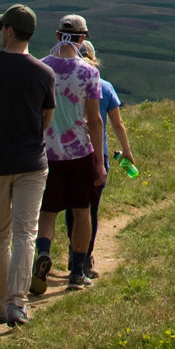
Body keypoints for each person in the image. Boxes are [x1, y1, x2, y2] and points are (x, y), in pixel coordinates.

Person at [0, 3, 54, 327]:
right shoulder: (44, 73)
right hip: (32, 162)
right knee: (25, 234)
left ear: (8, 31)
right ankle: (18, 304)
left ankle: (1, 303)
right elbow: (45, 120)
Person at [31, 16, 105, 292]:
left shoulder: (41, 67)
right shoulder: (89, 72)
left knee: (47, 212)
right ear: (83, 39)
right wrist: (99, 160)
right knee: (81, 211)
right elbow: (94, 120)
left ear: (57, 35)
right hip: (79, 152)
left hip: (47, 152)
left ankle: (44, 254)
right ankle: (76, 271)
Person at [68, 39, 133, 278]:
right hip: (97, 153)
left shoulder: (66, 83)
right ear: (94, 58)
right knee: (90, 210)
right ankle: (84, 259)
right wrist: (126, 151)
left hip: (68, 151)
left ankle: (72, 253)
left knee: (72, 208)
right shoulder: (104, 86)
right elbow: (117, 123)